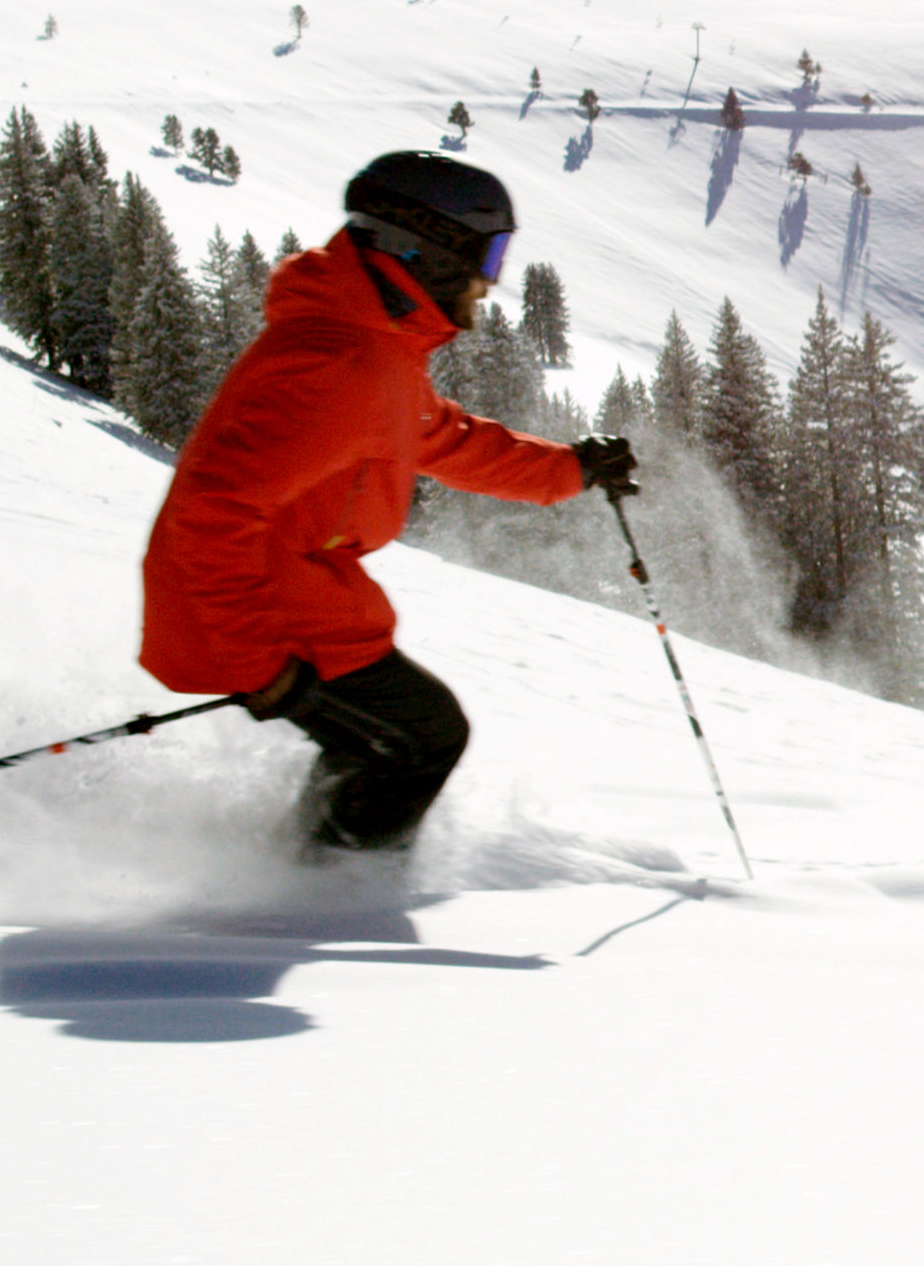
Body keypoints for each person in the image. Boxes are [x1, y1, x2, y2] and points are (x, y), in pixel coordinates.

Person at [139, 152, 638, 853]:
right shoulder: (342, 363)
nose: (489, 285)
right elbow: (210, 513)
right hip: (252, 606)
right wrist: (260, 664)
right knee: (421, 737)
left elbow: (447, 439)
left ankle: (299, 873)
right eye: (487, 256)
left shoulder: (376, 353)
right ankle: (322, 895)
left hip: (290, 597)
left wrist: (570, 469)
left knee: (390, 740)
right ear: (427, 252)